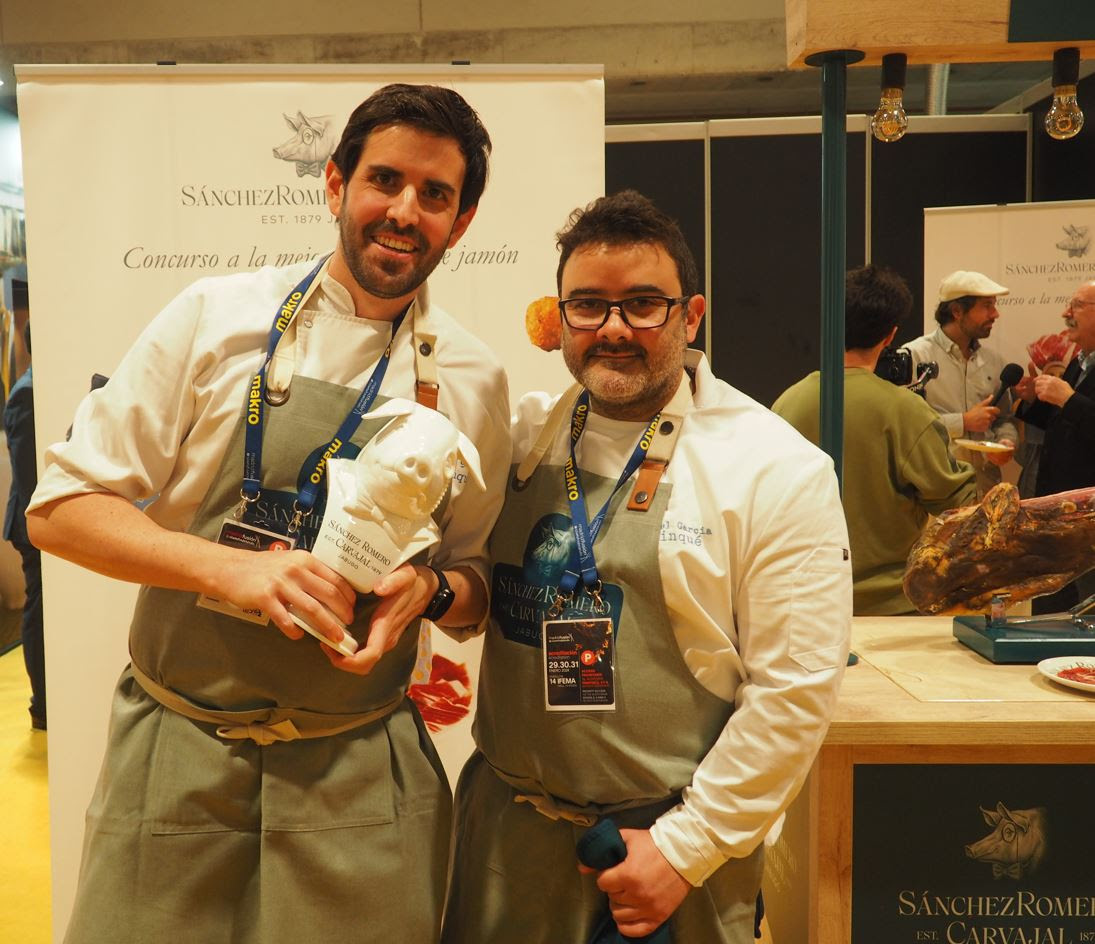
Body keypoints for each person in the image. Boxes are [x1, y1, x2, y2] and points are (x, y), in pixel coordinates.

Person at [26, 83, 511, 944]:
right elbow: (61, 510)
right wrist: (231, 567)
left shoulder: (472, 379)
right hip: (177, 753)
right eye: (384, 180)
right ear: (334, 184)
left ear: (461, 221)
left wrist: (430, 591)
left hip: (360, 770)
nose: (404, 210)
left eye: (435, 195)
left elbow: (478, 583)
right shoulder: (214, 319)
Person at [441, 191, 852, 943]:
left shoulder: (772, 468)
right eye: (589, 306)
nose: (614, 330)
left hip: (661, 861)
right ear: (557, 318)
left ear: (691, 316)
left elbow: (792, 694)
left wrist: (682, 849)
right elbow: (476, 603)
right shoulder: (521, 439)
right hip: (504, 840)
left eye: (642, 305)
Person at [773, 265, 977, 615]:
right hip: (893, 607)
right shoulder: (906, 410)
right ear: (890, 335)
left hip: (806, 602)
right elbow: (958, 507)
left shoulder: (785, 404)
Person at [1013, 279, 1095, 613]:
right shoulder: (1081, 358)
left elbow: (1077, 410)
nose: (1065, 313)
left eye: (1076, 305)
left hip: (1088, 515)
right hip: (1062, 511)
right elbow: (1065, 424)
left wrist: (1069, 398)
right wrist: (1035, 400)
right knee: (1054, 603)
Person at [902, 270, 1018, 496]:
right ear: (957, 311)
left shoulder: (995, 362)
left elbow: (1003, 418)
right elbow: (905, 426)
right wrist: (962, 422)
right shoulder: (914, 356)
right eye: (987, 306)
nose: (995, 314)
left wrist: (1006, 441)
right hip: (935, 494)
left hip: (986, 490)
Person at [3, 327, 45, 730]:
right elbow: (29, 472)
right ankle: (42, 704)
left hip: (39, 522)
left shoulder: (36, 388)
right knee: (39, 609)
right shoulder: (28, 392)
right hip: (34, 525)